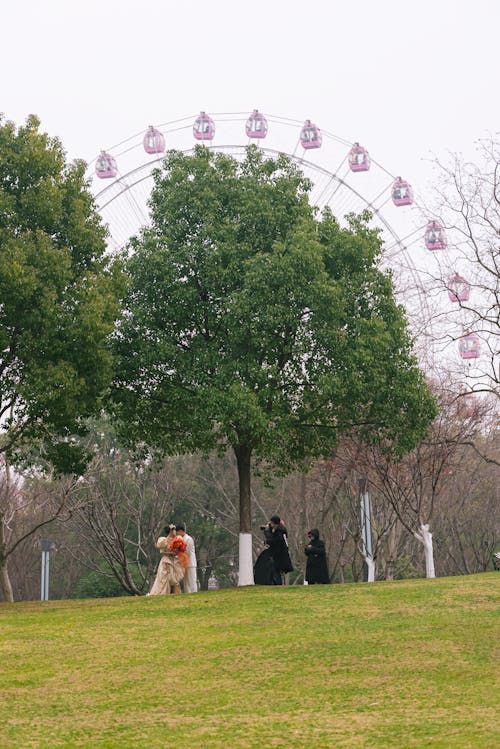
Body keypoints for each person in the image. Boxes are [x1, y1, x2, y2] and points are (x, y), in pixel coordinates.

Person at [255, 515, 293, 585]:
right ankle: (277, 583)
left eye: (271, 523)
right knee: (276, 570)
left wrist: (267, 532)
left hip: (279, 555)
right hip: (280, 554)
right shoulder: (281, 530)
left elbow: (274, 541)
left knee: (276, 570)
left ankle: (278, 584)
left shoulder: (279, 532)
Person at [149, 524, 186, 595]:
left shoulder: (177, 540)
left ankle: (174, 592)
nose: (176, 532)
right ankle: (163, 592)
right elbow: (162, 552)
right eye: (174, 530)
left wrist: (177, 552)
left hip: (174, 560)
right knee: (165, 577)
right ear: (171, 531)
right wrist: (170, 553)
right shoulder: (163, 540)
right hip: (166, 560)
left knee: (174, 577)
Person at [175, 524, 198, 593]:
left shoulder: (189, 539)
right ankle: (187, 593)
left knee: (192, 579)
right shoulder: (180, 539)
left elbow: (187, 551)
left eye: (177, 532)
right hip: (183, 563)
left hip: (190, 563)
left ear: (181, 531)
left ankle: (194, 591)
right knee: (186, 581)